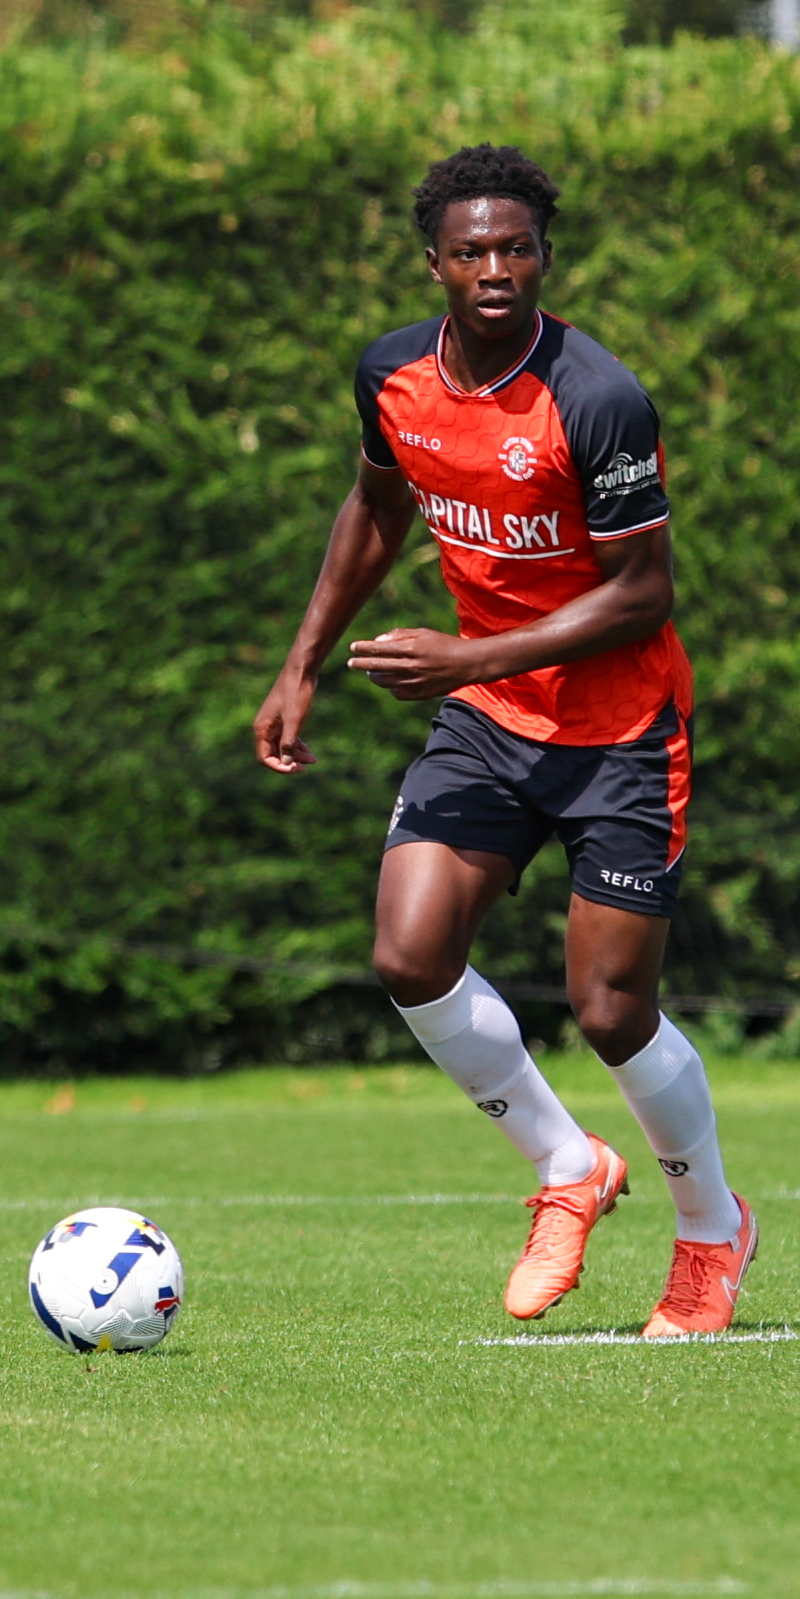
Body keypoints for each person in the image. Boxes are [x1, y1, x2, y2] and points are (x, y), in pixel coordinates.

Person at [250, 144, 756, 1337]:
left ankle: (709, 1233)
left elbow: (643, 593)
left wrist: (459, 659)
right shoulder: (390, 375)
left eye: (516, 248)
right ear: (432, 262)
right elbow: (376, 510)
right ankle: (565, 1165)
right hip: (489, 724)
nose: (494, 268)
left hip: (620, 733)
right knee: (407, 953)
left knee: (609, 1011)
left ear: (542, 258)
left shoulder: (596, 396)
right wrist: (301, 664)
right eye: (470, 250)